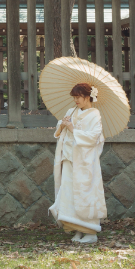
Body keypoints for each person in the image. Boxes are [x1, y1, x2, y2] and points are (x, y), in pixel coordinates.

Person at [49, 82, 106, 244]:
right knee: (68, 193)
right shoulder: (70, 111)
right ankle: (76, 228)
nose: (75, 100)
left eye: (78, 97)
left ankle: (90, 232)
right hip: (69, 157)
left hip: (85, 161)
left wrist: (73, 128)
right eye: (74, 97)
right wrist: (62, 125)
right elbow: (59, 132)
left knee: (85, 193)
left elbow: (94, 137)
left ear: (87, 97)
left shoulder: (95, 115)